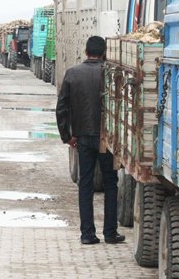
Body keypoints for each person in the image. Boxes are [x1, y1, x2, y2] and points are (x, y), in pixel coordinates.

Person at [56, 36, 124, 245]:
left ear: (86, 53)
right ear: (104, 53)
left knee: (85, 184)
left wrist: (68, 137)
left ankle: (87, 234)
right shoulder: (113, 75)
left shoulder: (72, 73)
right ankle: (110, 233)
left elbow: (62, 109)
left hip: (82, 137)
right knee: (111, 184)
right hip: (108, 139)